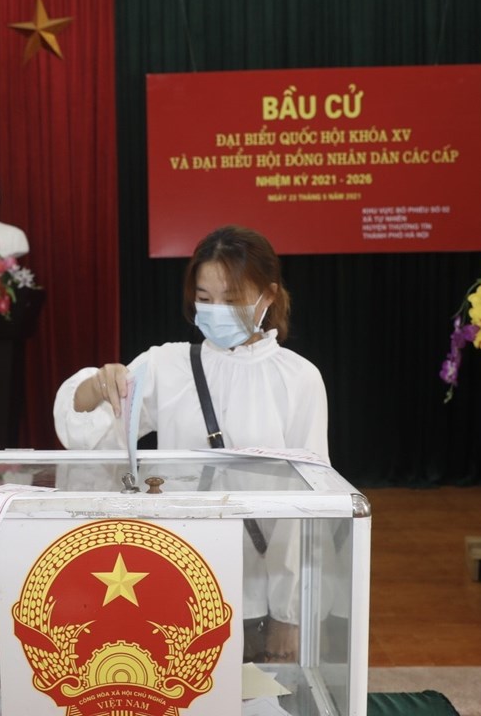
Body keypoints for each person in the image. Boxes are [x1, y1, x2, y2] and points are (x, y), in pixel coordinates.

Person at [52, 224, 329, 663]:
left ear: (269, 296)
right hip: (172, 577)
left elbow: (307, 508)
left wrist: (289, 612)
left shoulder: (298, 379)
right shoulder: (166, 364)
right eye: (204, 298)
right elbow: (89, 436)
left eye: (233, 298)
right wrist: (94, 385)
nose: (216, 310)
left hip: (254, 591)